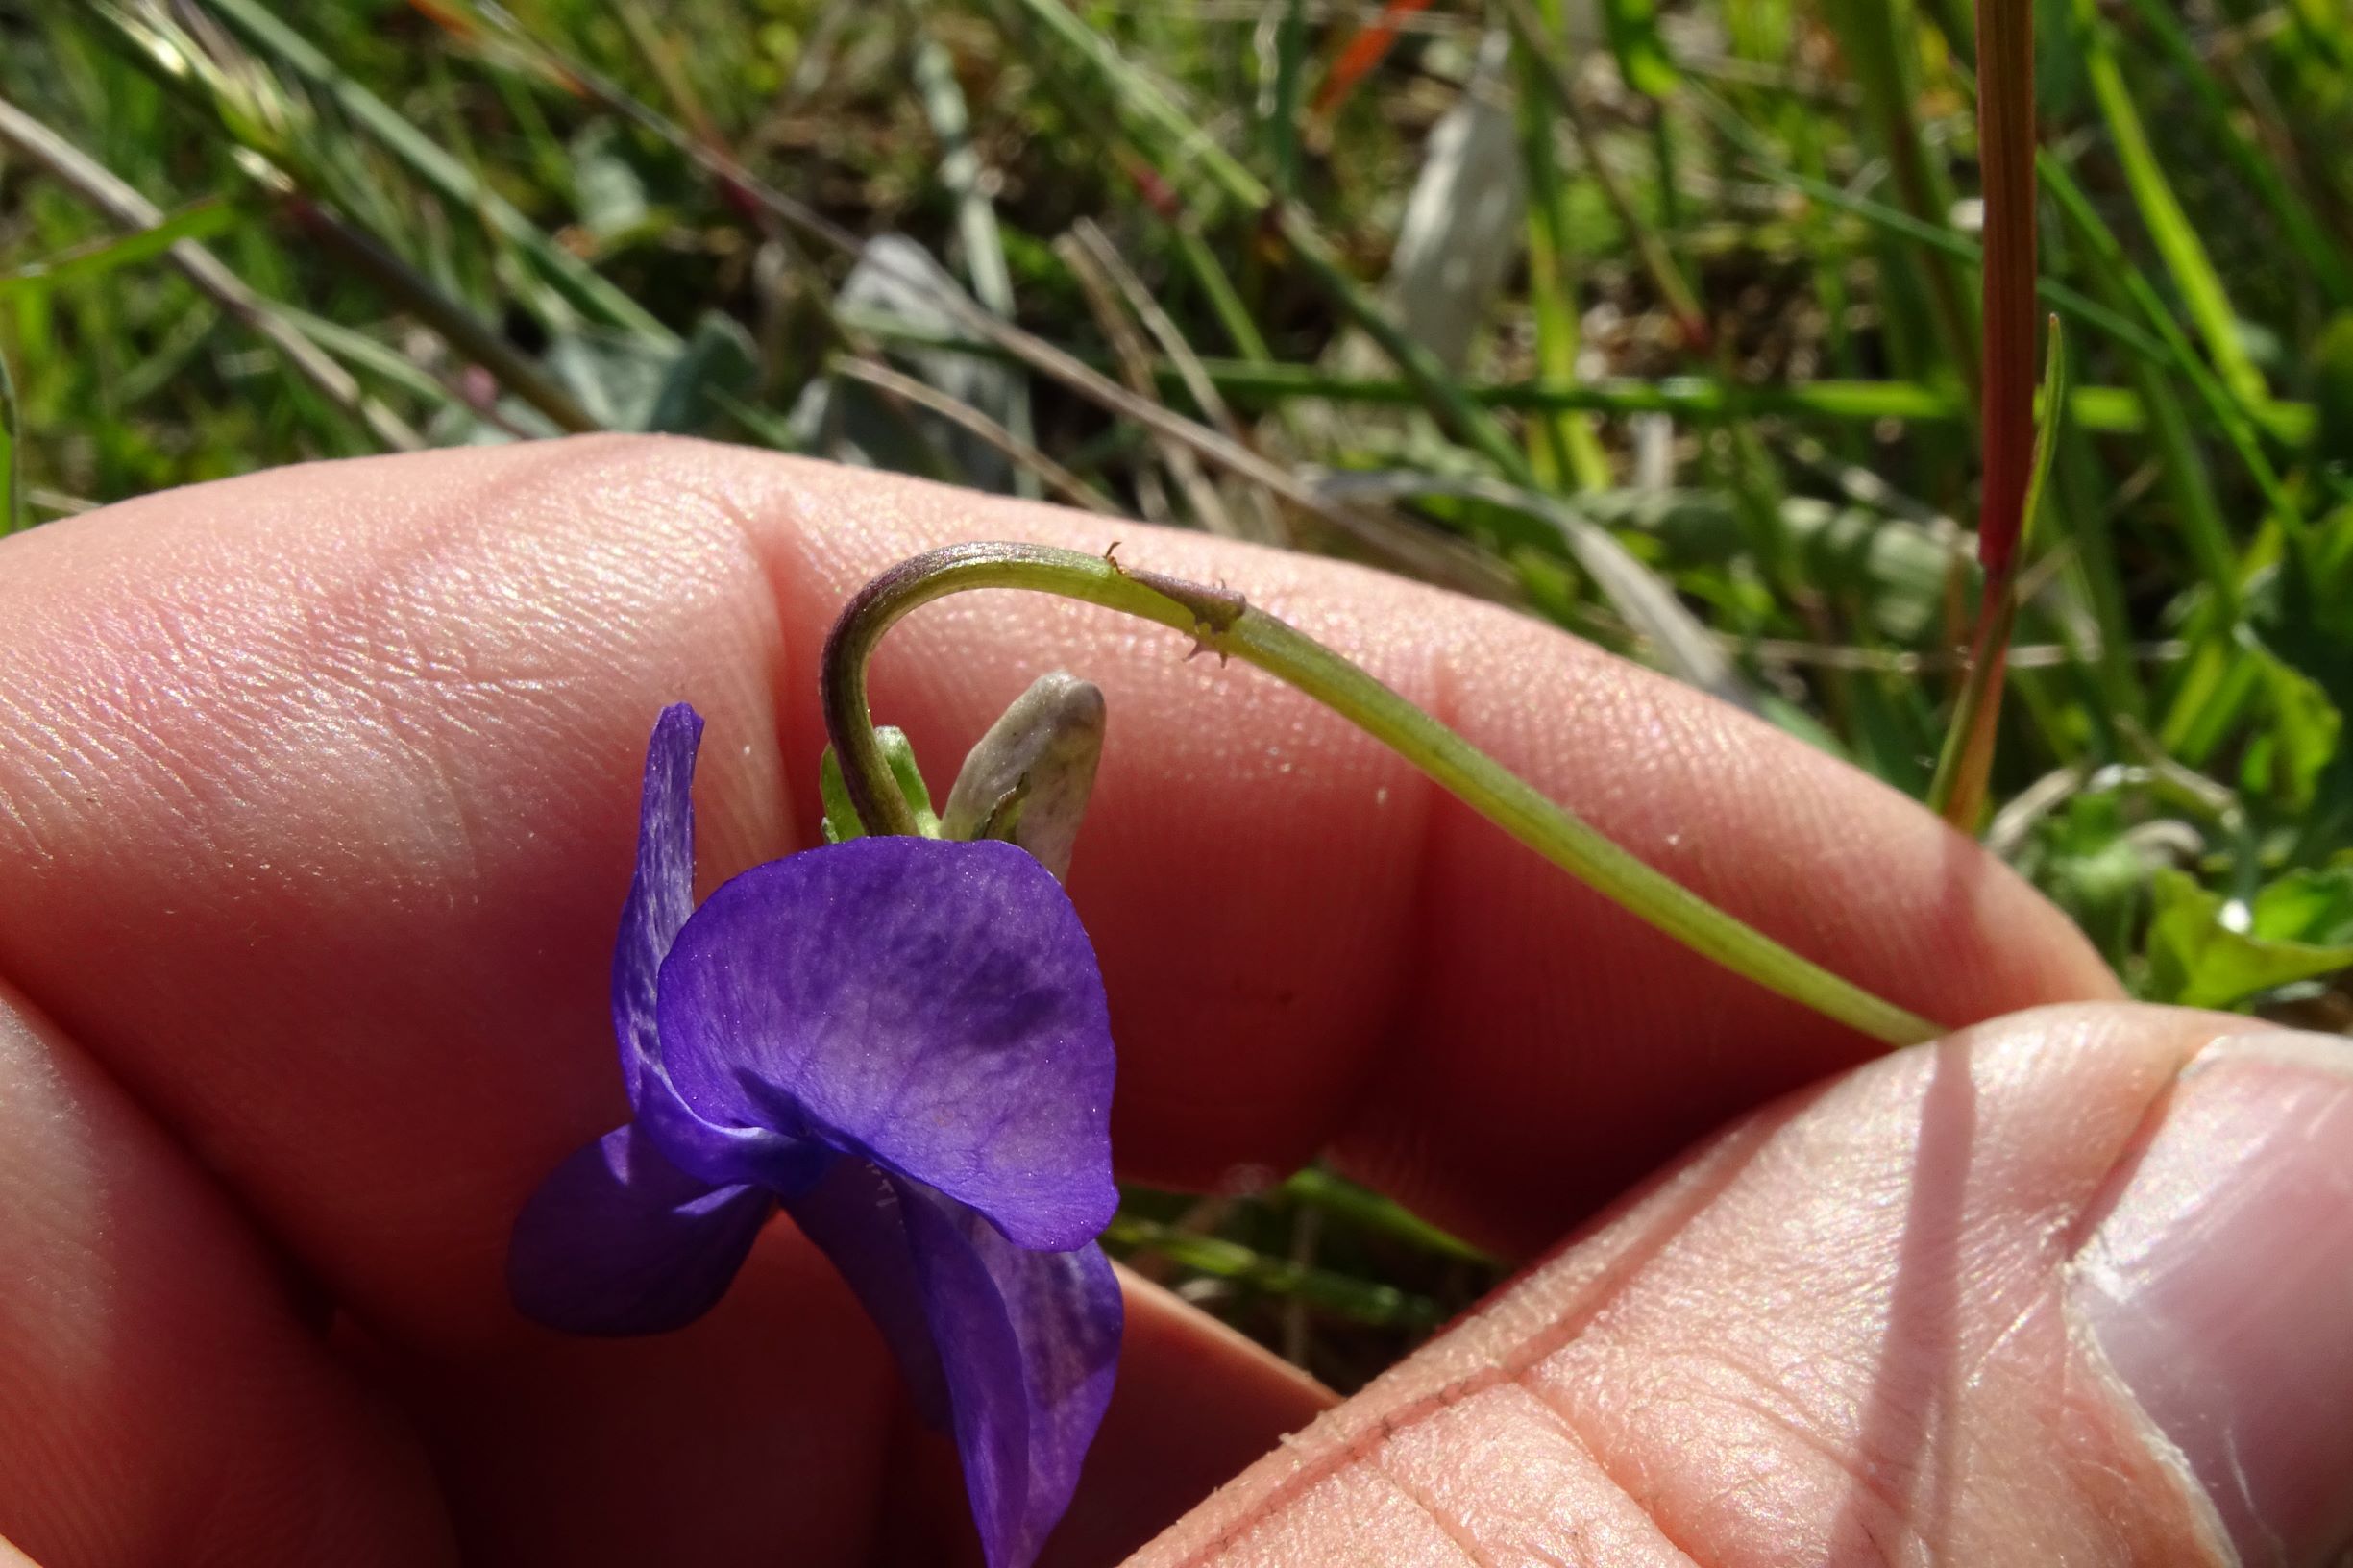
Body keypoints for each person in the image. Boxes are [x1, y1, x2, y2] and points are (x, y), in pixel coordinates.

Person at [0, 438, 2342, 1568]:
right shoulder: (895, 1128)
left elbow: (690, 1180)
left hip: (816, 1097)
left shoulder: (832, 1115)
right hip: (847, 1100)